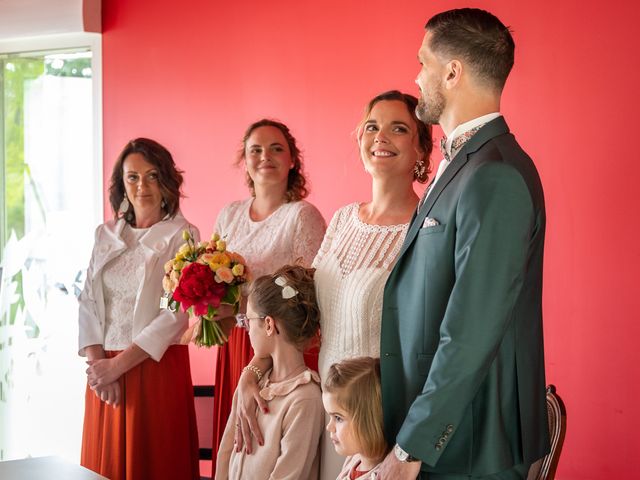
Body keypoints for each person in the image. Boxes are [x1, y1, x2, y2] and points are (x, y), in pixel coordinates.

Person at [377, 8, 549, 479]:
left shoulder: (494, 174)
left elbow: (472, 330)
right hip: (445, 434)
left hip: (469, 445)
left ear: (452, 72)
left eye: (422, 62)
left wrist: (410, 448)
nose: (416, 76)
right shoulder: (465, 163)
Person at [313, 90, 433, 479]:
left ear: (420, 152)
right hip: (326, 413)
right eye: (371, 127)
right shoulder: (342, 219)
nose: (380, 137)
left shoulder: (427, 229)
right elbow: (307, 315)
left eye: (398, 129)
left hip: (379, 420)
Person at [78, 138, 199, 479]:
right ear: (122, 184)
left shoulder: (183, 235)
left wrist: (118, 366)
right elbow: (87, 300)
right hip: (103, 372)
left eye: (151, 176)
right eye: (132, 177)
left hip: (154, 367)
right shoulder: (105, 234)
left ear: (166, 182)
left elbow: (172, 312)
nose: (142, 186)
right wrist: (99, 366)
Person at [212, 119, 326, 468]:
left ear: (293, 159)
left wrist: (258, 364)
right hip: (234, 343)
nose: (266, 156)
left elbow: (310, 299)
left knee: (266, 449)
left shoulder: (301, 216)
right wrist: (209, 308)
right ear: (244, 160)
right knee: (234, 448)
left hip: (279, 349)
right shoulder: (229, 214)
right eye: (256, 150)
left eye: (277, 148)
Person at [215, 265, 325, 480]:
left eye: (248, 321)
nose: (246, 330)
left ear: (268, 325)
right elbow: (226, 454)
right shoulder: (251, 385)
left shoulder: (304, 400)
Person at [322, 357, 388, 480]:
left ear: (368, 420)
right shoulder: (354, 459)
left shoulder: (385, 475)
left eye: (338, 418)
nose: (329, 427)